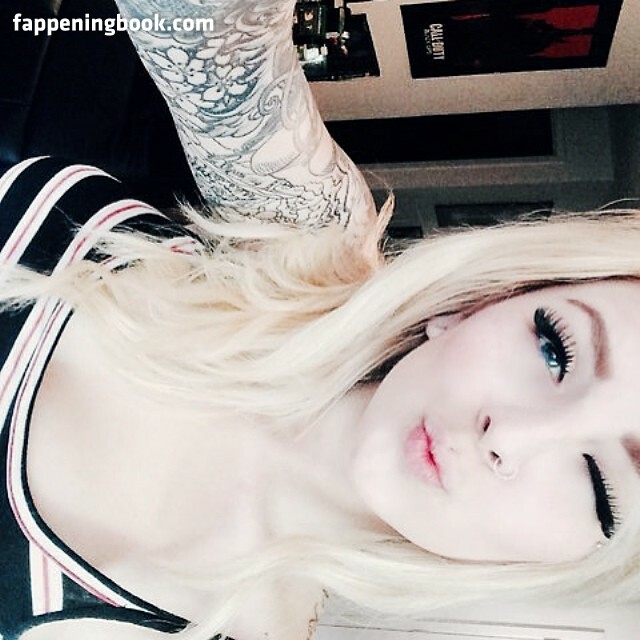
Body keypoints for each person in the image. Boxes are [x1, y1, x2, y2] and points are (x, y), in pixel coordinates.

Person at [2, 1, 640, 639]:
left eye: (600, 485)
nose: (511, 437)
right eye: (556, 351)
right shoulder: (312, 234)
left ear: (580, 566)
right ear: (483, 302)